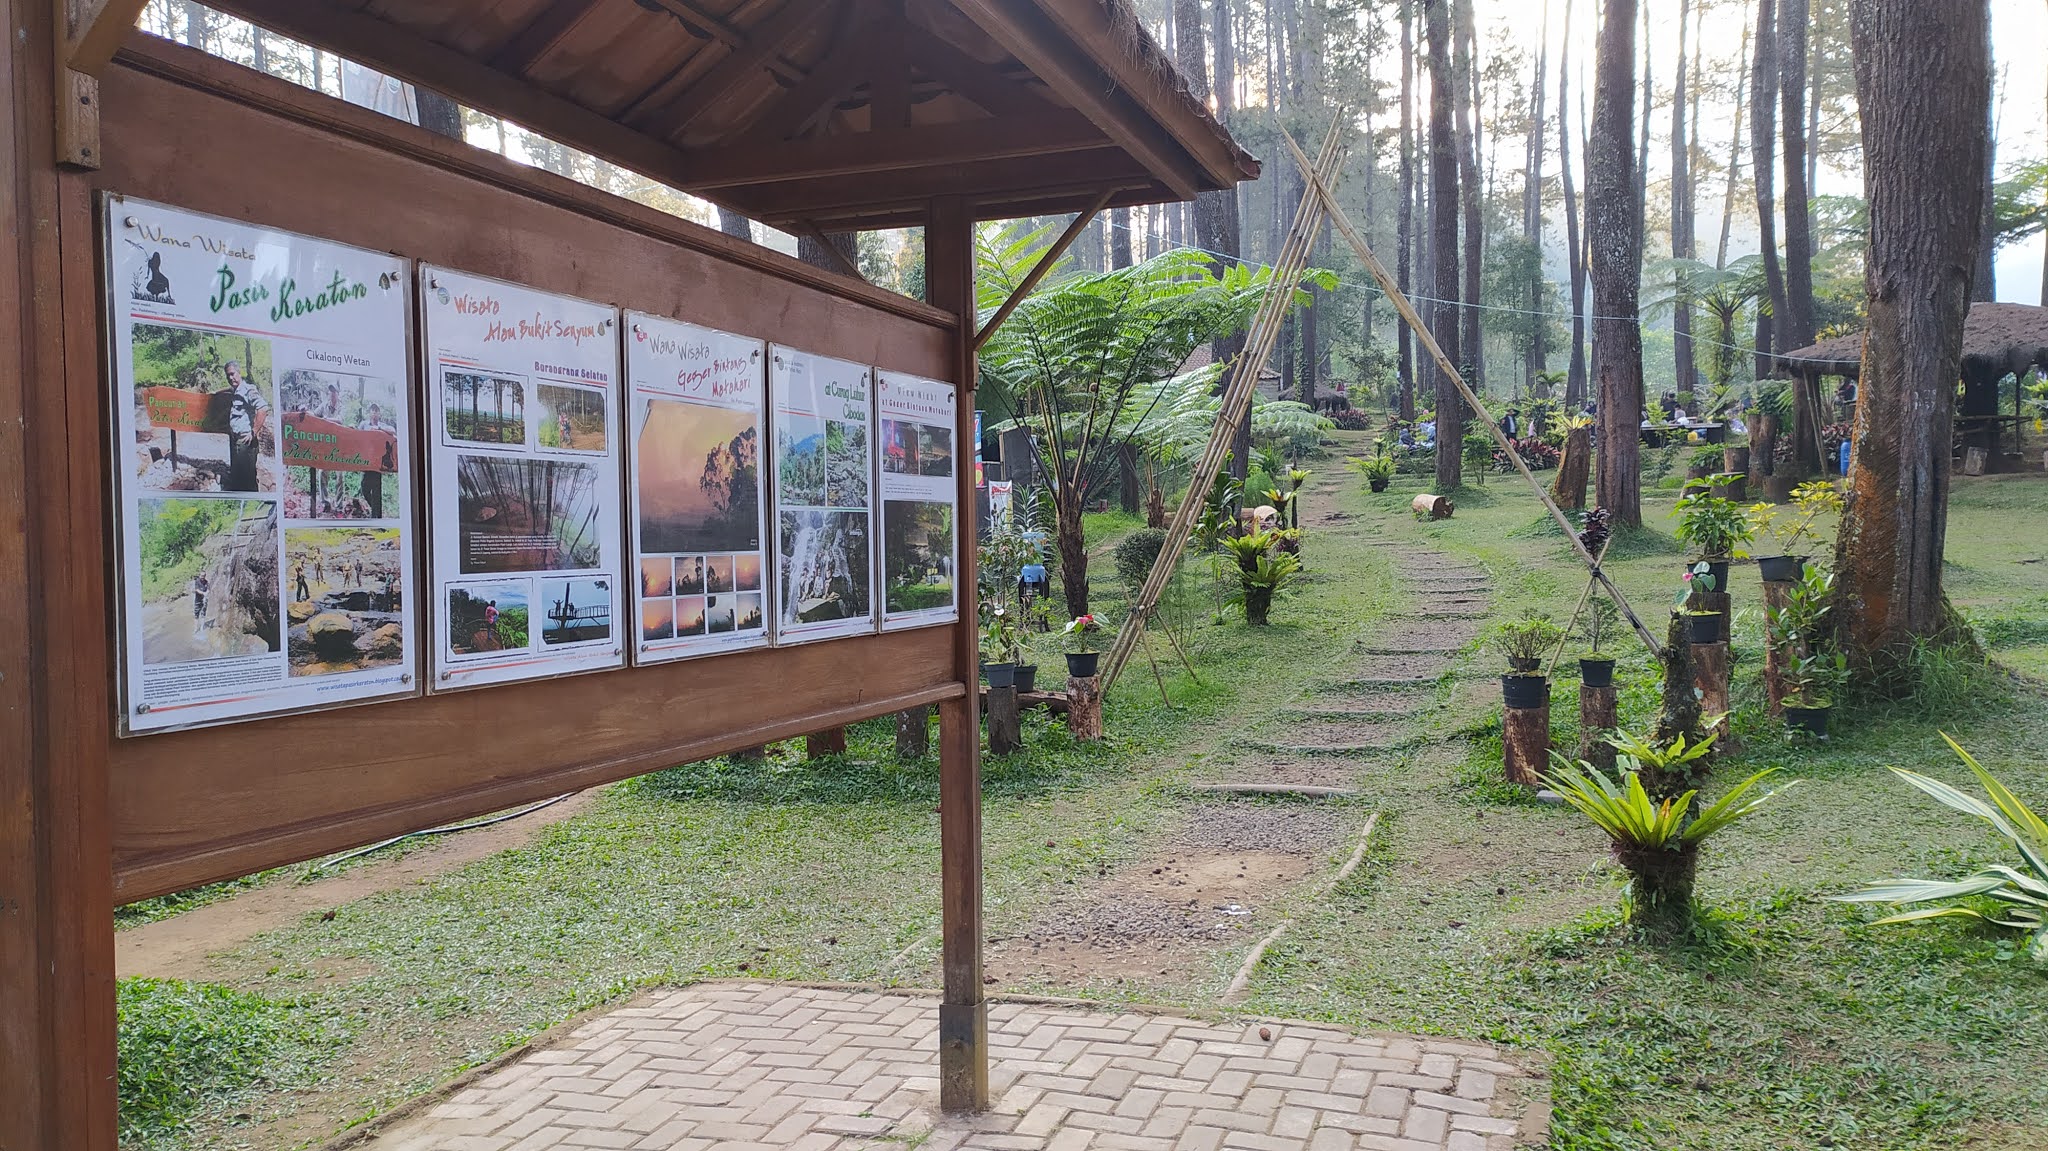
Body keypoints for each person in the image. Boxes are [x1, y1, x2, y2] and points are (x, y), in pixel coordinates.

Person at [220, 360, 270, 493]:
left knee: (248, 479)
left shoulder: (248, 390)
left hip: (245, 441)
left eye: (232, 374)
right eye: (228, 375)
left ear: (239, 372)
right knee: (237, 476)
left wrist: (254, 432)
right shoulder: (234, 391)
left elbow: (263, 409)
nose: (230, 378)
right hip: (235, 439)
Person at [357, 401, 395, 518]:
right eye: (372, 410)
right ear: (369, 413)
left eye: (376, 411)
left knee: (376, 490)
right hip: (367, 462)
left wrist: (378, 428)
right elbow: (355, 435)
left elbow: (393, 430)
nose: (374, 413)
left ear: (379, 413)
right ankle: (375, 511)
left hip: (378, 463)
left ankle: (377, 517)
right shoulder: (364, 424)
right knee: (365, 488)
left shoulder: (383, 426)